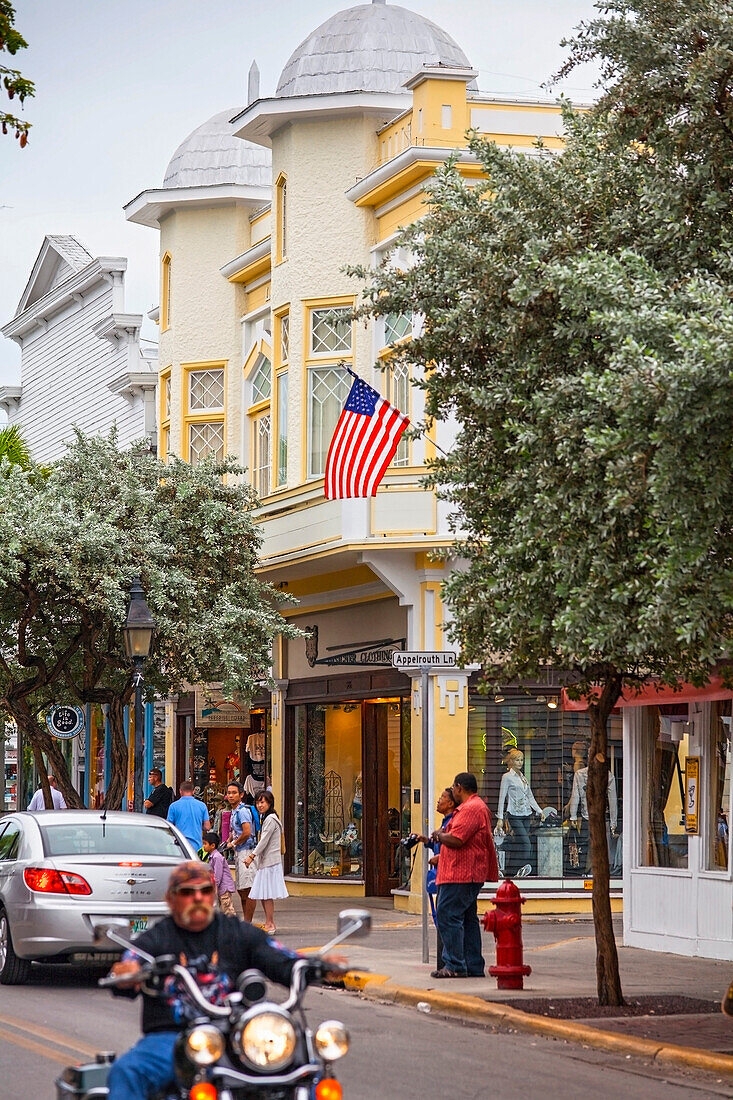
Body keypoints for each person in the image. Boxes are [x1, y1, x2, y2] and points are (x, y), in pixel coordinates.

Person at [105, 860, 344, 1100]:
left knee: (306, 1073)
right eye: (187, 892)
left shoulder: (238, 932)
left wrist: (320, 967)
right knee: (128, 1072)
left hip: (238, 1034)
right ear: (171, 898)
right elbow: (131, 961)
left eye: (205, 891)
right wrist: (127, 972)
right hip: (173, 1037)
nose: (197, 898)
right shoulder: (155, 939)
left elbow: (282, 960)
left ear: (213, 895)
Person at [430, 772, 498, 979]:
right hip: (462, 872)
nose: (452, 791)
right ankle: (472, 965)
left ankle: (455, 964)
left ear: (460, 787)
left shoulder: (471, 808)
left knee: (448, 915)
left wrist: (440, 835)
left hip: (461, 873)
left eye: (454, 787)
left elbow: (458, 839)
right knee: (466, 919)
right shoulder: (472, 808)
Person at [416, 786, 458, 970]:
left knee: (446, 918)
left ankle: (449, 962)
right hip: (441, 875)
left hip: (449, 875)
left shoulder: (452, 822)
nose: (438, 800)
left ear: (450, 803)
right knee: (441, 917)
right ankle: (444, 962)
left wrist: (439, 858)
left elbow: (455, 847)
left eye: (442, 797)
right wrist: (426, 841)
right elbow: (439, 845)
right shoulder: (445, 822)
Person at [243, 791, 288, 933]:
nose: (260, 805)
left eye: (263, 802)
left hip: (270, 862)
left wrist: (251, 856)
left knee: (266, 894)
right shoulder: (267, 818)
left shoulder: (270, 819)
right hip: (267, 861)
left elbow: (264, 841)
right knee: (264, 894)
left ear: (270, 803)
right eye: (258, 802)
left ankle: (270, 923)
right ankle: (270, 922)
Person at [497, 748, 544, 877]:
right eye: (517, 760)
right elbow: (502, 798)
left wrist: (539, 811)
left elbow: (530, 796)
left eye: (522, 760)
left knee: (518, 843)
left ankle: (512, 871)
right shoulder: (507, 777)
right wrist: (500, 818)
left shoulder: (523, 778)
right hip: (514, 814)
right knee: (526, 843)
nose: (520, 762)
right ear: (511, 761)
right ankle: (524, 868)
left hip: (526, 814)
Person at [225, 781, 259, 918]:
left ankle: (248, 922)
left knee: (248, 889)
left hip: (247, 852)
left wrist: (233, 843)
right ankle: (246, 920)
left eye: (234, 793)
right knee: (242, 890)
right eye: (229, 793)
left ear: (241, 795)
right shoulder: (235, 811)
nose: (231, 796)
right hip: (239, 852)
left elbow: (247, 832)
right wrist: (229, 840)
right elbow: (236, 831)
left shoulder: (243, 811)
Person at [166, 780, 210, 854]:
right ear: (193, 791)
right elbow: (207, 827)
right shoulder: (202, 806)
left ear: (180, 791)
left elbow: (169, 827)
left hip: (180, 846)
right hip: (197, 846)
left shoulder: (173, 806)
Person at [202, 831, 236, 916]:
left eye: (205, 844)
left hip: (224, 888)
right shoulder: (212, 857)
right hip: (221, 888)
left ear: (212, 845)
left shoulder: (217, 857)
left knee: (228, 910)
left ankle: (234, 927)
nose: (203, 846)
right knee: (223, 909)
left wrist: (214, 887)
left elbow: (217, 875)